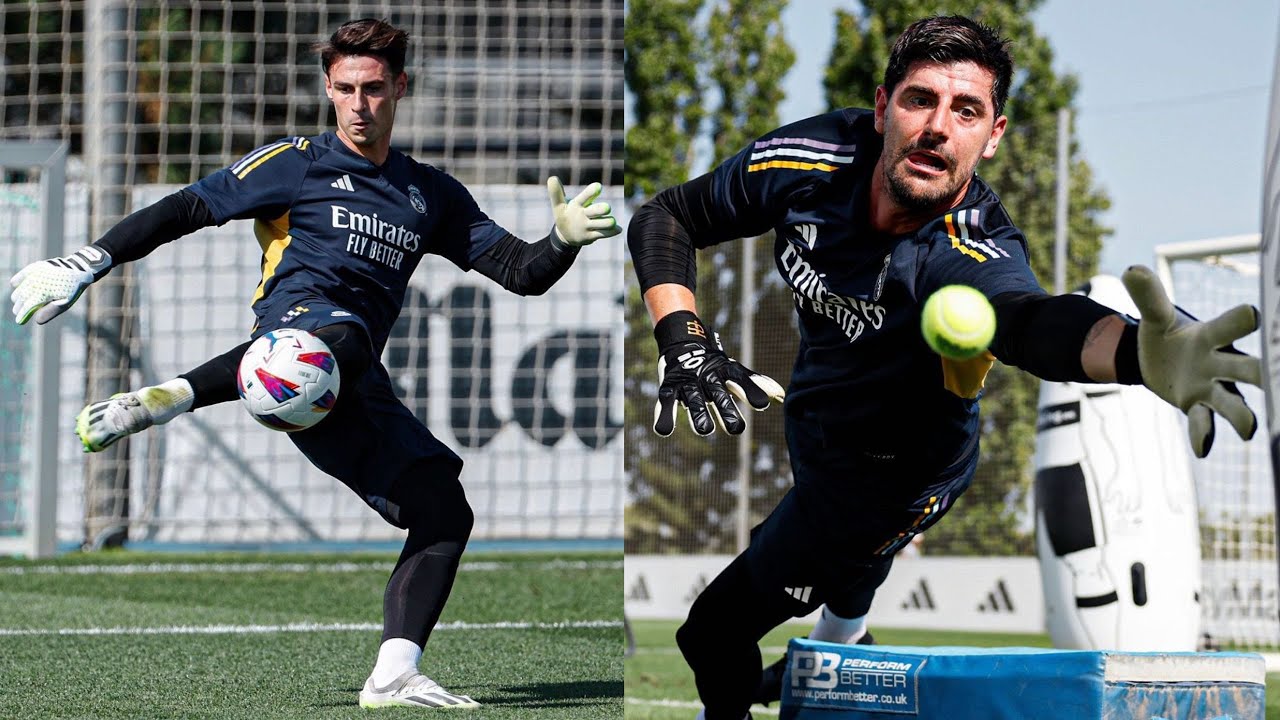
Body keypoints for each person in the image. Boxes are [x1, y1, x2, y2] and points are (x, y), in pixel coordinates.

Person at [626, 15, 1260, 720]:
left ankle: (802, 669)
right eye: (919, 99)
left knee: (712, 633)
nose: (937, 125)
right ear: (880, 108)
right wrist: (684, 338)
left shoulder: (968, 245)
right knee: (840, 565)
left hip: (897, 475)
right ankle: (845, 637)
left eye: (966, 111)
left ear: (993, 135)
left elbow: (1030, 322)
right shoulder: (811, 158)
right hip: (819, 418)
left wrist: (1140, 354)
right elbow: (667, 216)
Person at [9, 18, 621, 710]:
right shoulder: (295, 163)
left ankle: (392, 674)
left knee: (444, 510)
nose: (360, 104)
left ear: (400, 89)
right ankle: (177, 393)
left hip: (349, 385)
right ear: (328, 90)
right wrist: (90, 260)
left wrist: (564, 240)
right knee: (335, 334)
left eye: (375, 89)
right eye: (346, 89)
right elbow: (189, 207)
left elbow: (519, 270)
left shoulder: (430, 194)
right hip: (296, 342)